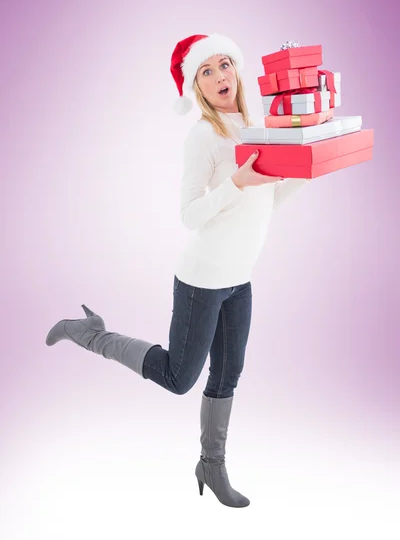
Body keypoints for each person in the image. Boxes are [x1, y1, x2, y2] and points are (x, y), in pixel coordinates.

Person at [45, 33, 310, 509]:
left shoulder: (257, 125)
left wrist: (306, 170)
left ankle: (212, 465)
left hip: (239, 280)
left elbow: (269, 201)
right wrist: (236, 180)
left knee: (228, 375)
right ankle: (89, 333)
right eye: (205, 72)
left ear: (237, 69)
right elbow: (190, 215)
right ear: (197, 87)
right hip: (201, 281)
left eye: (224, 64)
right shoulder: (203, 136)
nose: (219, 76)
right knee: (177, 377)